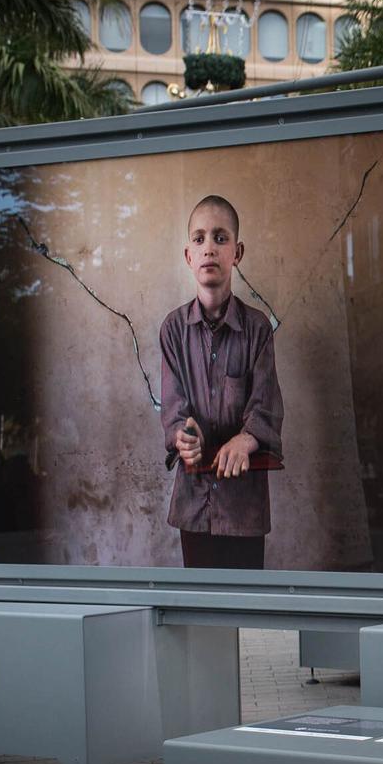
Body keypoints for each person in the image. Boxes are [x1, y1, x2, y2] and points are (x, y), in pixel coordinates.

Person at [159, 195, 283, 570]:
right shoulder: (173, 331)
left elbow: (265, 404)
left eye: (220, 238)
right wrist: (184, 437)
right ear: (187, 256)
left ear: (237, 252)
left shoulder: (258, 328)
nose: (209, 248)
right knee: (200, 616)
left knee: (246, 611)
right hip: (193, 505)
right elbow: (173, 409)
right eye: (198, 239)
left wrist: (246, 439)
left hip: (243, 509)